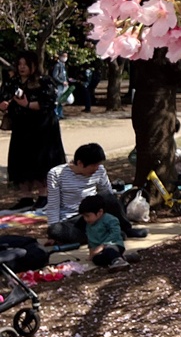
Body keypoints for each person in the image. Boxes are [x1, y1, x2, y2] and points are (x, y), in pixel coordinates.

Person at [1, 51, 67, 210]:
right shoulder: (13, 81)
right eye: (19, 64)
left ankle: (44, 195)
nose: (22, 67)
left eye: (25, 64)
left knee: (41, 160)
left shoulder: (44, 81)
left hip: (42, 126)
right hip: (21, 127)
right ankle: (26, 196)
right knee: (21, 160)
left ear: (34, 65)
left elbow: (49, 102)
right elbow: (4, 97)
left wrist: (27, 104)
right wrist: (3, 104)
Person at [44, 143, 146, 244]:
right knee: (54, 230)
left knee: (108, 197)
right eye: (93, 165)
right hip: (74, 220)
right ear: (80, 163)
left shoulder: (99, 170)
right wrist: (52, 235)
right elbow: (53, 204)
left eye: (98, 165)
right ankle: (101, 236)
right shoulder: (56, 174)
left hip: (96, 214)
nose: (96, 168)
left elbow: (108, 194)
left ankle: (126, 229)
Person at [79, 194, 131, 271]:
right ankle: (123, 258)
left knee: (109, 250)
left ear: (100, 212)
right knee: (96, 260)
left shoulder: (110, 219)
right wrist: (91, 253)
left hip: (113, 244)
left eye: (87, 216)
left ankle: (119, 261)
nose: (85, 219)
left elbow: (115, 233)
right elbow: (90, 239)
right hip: (100, 249)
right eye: (84, 216)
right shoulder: (89, 224)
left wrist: (103, 245)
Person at [50, 51, 69, 120]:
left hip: (63, 86)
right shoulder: (57, 65)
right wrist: (62, 82)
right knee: (57, 100)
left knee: (61, 100)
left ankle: (60, 114)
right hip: (59, 85)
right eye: (64, 56)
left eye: (66, 56)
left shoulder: (63, 65)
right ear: (60, 56)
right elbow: (55, 76)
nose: (65, 57)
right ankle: (56, 114)